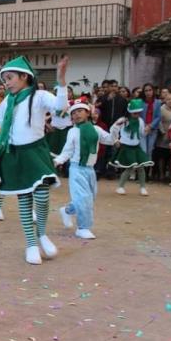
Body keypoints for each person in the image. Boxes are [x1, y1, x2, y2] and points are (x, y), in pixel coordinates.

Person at [0, 55, 69, 265]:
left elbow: (60, 107)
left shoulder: (39, 95)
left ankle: (42, 233)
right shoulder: (8, 101)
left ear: (25, 76)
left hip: (35, 151)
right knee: (24, 200)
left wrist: (60, 81)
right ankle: (31, 243)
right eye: (4, 79)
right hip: (14, 153)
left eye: (10, 77)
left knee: (42, 196)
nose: (6, 82)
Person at [54, 102, 120, 240]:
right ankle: (83, 228)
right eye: (73, 112)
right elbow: (67, 151)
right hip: (76, 168)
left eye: (80, 111)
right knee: (84, 199)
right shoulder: (72, 131)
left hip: (90, 169)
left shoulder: (96, 129)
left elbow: (110, 140)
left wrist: (115, 127)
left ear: (88, 113)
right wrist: (58, 160)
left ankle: (66, 210)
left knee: (89, 198)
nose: (76, 114)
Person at [110, 99, 154, 196]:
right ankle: (120, 187)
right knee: (129, 168)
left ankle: (142, 187)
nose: (137, 115)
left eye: (138, 113)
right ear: (130, 112)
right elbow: (113, 129)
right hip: (126, 147)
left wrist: (147, 130)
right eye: (134, 113)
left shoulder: (140, 121)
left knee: (141, 167)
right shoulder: (123, 121)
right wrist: (115, 140)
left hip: (136, 147)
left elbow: (142, 134)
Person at [153, 94, 171, 182]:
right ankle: (161, 174)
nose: (170, 101)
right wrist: (163, 131)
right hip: (163, 136)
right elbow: (158, 121)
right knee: (161, 156)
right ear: (165, 100)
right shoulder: (161, 109)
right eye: (168, 99)